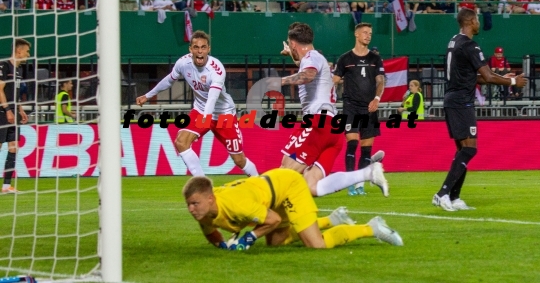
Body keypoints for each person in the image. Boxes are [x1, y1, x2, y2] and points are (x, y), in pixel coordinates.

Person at [432, 8, 527, 211]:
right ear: (471, 21)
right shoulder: (470, 45)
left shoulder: (453, 42)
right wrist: (511, 81)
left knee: (462, 150)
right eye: (477, 20)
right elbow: (489, 76)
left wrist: (504, 78)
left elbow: (476, 77)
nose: (479, 23)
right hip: (461, 102)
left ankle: (455, 197)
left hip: (454, 99)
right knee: (469, 149)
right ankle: (442, 193)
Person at [280, 23, 389, 198]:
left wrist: (277, 82)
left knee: (285, 170)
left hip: (317, 123)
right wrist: (293, 57)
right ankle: (368, 173)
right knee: (311, 186)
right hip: (332, 129)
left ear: (293, 44)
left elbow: (308, 75)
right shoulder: (315, 60)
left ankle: (260, 213)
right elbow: (310, 71)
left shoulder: (311, 57)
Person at [135, 31, 258, 177]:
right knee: (181, 142)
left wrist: (207, 116)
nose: (200, 51)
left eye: (203, 47)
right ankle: (201, 183)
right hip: (200, 111)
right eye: (196, 47)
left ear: (208, 49)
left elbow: (213, 96)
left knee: (239, 160)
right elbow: (169, 80)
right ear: (190, 49)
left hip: (223, 115)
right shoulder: (183, 63)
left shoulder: (216, 69)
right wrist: (147, 96)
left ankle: (259, 181)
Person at [183, 168, 403, 250]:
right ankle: (332, 220)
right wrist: (223, 246)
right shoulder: (204, 213)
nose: (192, 209)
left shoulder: (236, 204)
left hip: (289, 187)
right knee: (276, 242)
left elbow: (272, 220)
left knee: (316, 244)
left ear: (210, 199)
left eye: (195, 203)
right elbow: (212, 233)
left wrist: (247, 239)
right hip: (270, 193)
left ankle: (372, 228)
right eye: (189, 204)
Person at [332, 23, 386, 196]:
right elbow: (334, 80)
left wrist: (377, 98)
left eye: (370, 33)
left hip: (369, 108)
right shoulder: (345, 59)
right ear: (356, 34)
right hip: (351, 107)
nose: (368, 35)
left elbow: (380, 81)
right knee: (352, 143)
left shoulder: (375, 59)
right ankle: (350, 183)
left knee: (366, 148)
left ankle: (360, 184)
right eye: (364, 32)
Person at [0, 39, 30, 194]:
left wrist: (20, 109)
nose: (28, 55)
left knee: (13, 148)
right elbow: (0, 89)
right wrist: (7, 110)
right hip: (2, 112)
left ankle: (6, 186)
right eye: (26, 51)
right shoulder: (4, 65)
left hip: (13, 112)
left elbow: (15, 93)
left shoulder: (19, 70)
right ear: (19, 51)